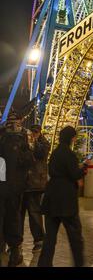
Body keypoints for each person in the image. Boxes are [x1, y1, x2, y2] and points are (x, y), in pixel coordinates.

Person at [38, 126, 87, 267]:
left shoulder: (55, 153)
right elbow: (74, 174)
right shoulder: (69, 154)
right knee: (75, 237)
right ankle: (79, 264)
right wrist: (84, 168)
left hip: (51, 197)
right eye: (74, 137)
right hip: (66, 200)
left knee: (50, 238)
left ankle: (44, 264)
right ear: (71, 138)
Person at [0, 111, 32, 267]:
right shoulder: (22, 141)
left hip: (3, 185)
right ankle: (15, 253)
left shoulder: (2, 139)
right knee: (13, 218)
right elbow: (28, 161)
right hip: (14, 188)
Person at [21, 124, 50, 253]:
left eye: (36, 132)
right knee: (19, 214)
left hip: (35, 184)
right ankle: (16, 242)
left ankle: (39, 240)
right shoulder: (24, 142)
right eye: (32, 132)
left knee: (34, 213)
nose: (33, 134)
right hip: (23, 184)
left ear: (40, 132)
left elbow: (41, 154)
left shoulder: (43, 143)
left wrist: (34, 141)